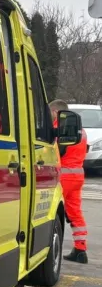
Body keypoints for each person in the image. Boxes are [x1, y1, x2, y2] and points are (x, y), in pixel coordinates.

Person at [50, 99, 89, 264]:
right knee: (75, 213)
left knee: (50, 212)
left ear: (57, 111)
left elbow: (55, 150)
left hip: (63, 176)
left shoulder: (61, 127)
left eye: (51, 113)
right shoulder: (82, 130)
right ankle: (80, 249)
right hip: (77, 175)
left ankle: (47, 250)